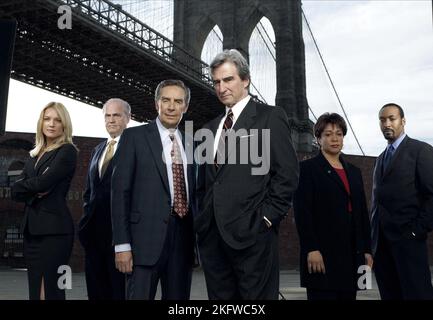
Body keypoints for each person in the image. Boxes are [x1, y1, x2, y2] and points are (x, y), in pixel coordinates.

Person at [195, 49, 299, 300]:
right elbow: (207, 184)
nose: (221, 88)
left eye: (228, 79)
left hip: (253, 238)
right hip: (213, 240)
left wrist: (266, 219)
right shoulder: (209, 128)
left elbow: (288, 174)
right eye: (216, 81)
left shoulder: (270, 117)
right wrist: (203, 224)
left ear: (245, 80)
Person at [111, 80, 196, 300]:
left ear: (185, 107)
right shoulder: (133, 138)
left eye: (178, 101)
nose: (171, 106)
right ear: (156, 103)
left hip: (182, 243)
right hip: (142, 245)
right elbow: (119, 194)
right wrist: (122, 245)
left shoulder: (192, 144)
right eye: (166, 100)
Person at [293, 113, 373, 300]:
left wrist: (367, 250)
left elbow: (362, 214)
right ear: (318, 139)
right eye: (328, 134)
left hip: (352, 255)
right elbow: (303, 213)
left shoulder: (354, 172)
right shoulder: (307, 169)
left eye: (339, 134)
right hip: (321, 254)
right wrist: (311, 248)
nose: (334, 138)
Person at [11, 102, 78, 300]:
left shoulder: (67, 151)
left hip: (55, 232)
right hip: (32, 230)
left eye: (57, 120)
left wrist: (30, 186)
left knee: (52, 289)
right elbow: (17, 190)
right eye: (47, 119)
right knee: (35, 289)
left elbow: (44, 183)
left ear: (64, 125)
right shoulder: (35, 154)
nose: (51, 124)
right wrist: (32, 187)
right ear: (41, 122)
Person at [371, 103, 433, 300]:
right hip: (381, 247)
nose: (386, 123)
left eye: (392, 118)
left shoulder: (421, 151)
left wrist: (415, 231)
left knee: (417, 295)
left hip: (409, 243)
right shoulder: (380, 158)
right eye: (382, 120)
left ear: (403, 121)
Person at [78, 98, 130, 300]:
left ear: (127, 118)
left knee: (119, 294)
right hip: (94, 238)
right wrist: (84, 225)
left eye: (116, 115)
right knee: (96, 293)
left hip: (120, 240)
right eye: (107, 116)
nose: (111, 120)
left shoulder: (136, 149)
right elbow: (89, 191)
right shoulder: (98, 150)